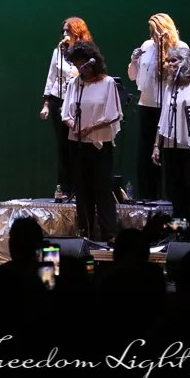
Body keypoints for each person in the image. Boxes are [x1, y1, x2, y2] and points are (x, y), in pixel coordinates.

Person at [62, 42, 122, 242]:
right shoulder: (74, 84)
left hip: (100, 143)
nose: (80, 68)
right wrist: (74, 125)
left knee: (102, 188)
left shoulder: (107, 83)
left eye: (83, 63)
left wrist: (90, 128)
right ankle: (85, 231)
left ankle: (109, 233)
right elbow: (65, 113)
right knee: (82, 189)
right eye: (77, 64)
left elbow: (113, 114)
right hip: (78, 143)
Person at [151, 47, 190, 239]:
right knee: (175, 192)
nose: (170, 64)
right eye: (168, 61)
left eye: (174, 61)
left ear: (186, 62)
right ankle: (180, 232)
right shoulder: (171, 86)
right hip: (171, 145)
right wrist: (156, 145)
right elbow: (163, 118)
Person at [127, 12, 189, 200]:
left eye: (155, 31)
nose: (152, 36)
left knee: (167, 149)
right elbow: (132, 76)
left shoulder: (179, 47)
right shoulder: (147, 46)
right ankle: (147, 194)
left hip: (169, 105)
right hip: (147, 104)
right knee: (146, 149)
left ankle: (171, 196)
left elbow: (186, 74)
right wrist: (134, 61)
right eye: (150, 32)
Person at [39, 17, 92, 199]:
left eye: (68, 31)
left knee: (76, 145)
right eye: (63, 31)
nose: (64, 35)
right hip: (58, 99)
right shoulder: (58, 51)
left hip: (77, 100)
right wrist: (46, 103)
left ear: (77, 32)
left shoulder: (86, 51)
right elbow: (51, 76)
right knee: (62, 144)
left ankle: (80, 186)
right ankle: (64, 186)